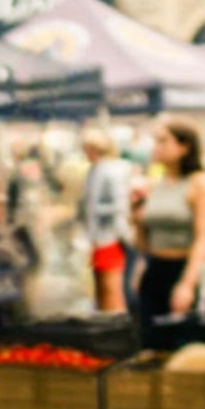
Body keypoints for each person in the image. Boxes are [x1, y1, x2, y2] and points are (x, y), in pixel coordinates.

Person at [132, 119, 205, 327]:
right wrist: (136, 216)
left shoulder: (201, 183)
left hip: (186, 267)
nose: (157, 148)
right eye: (155, 141)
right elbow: (144, 240)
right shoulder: (155, 184)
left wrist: (187, 284)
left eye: (163, 141)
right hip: (155, 268)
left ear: (184, 147)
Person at [79, 128, 136, 314]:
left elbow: (118, 205)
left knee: (111, 285)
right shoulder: (96, 170)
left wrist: (123, 234)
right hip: (99, 236)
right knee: (101, 285)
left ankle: (116, 322)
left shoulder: (110, 171)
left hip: (109, 237)